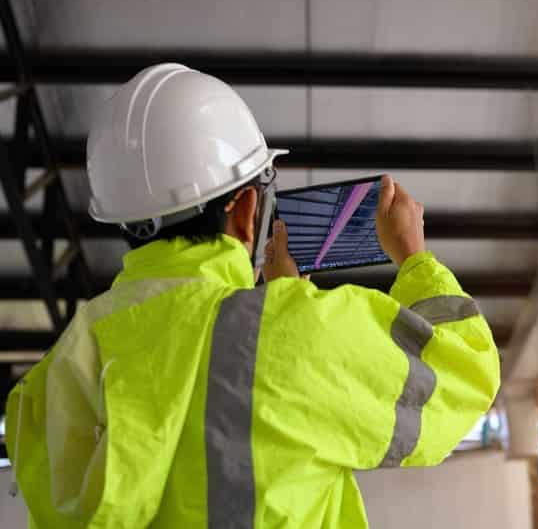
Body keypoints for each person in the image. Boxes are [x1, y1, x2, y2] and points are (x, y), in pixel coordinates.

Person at [5, 63, 501, 528]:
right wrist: (414, 259)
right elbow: (464, 374)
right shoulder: (294, 334)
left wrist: (281, 310)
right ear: (245, 210)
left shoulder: (53, 378)